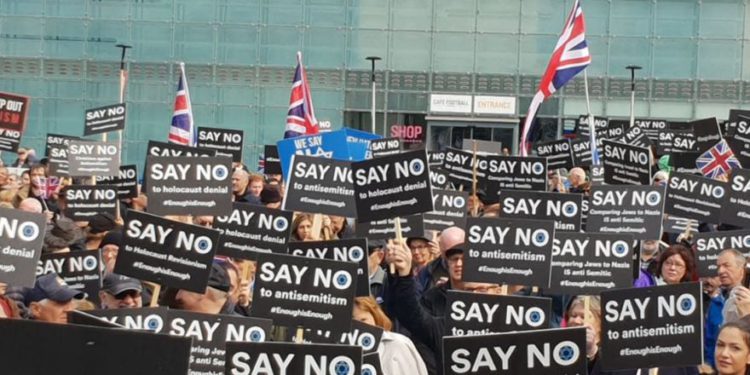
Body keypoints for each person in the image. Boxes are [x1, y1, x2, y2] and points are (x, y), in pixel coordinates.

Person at [352, 296, 428, 375]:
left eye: (363, 320)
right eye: (353, 323)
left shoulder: (399, 344)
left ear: (375, 315)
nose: (359, 326)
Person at [707, 249, 749, 368]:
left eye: (726, 265)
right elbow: (710, 341)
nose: (720, 271)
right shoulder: (715, 302)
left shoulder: (747, 300)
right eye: (718, 266)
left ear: (741, 270)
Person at [416, 226, 464, 295]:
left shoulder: (478, 271)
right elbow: (418, 299)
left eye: (457, 251)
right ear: (441, 247)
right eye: (448, 252)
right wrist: (437, 292)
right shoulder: (429, 269)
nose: (458, 263)